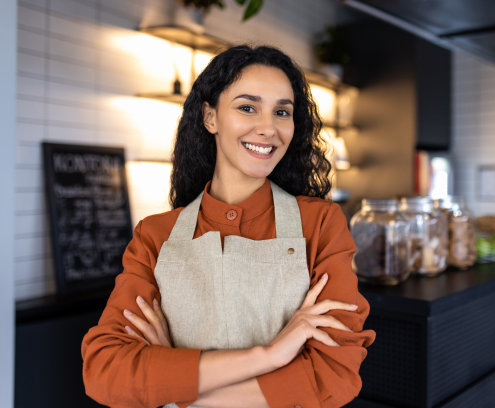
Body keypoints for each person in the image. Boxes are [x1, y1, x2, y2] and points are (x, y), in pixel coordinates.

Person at [81, 44, 375, 408]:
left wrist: (177, 383)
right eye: (247, 107)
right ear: (210, 117)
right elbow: (106, 371)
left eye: (282, 111)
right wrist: (268, 356)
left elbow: (333, 374)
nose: (268, 128)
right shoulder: (155, 236)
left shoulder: (320, 224)